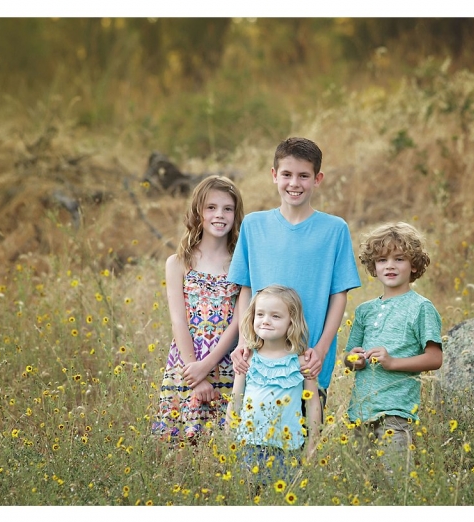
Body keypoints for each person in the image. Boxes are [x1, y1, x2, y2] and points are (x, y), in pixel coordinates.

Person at [227, 137, 361, 408]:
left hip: (308, 359)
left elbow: (339, 295)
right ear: (274, 175)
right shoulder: (254, 225)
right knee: (255, 438)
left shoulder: (334, 230)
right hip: (261, 356)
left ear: (317, 179)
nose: (294, 183)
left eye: (303, 176)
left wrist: (322, 349)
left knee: (306, 436)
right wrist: (243, 341)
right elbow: (246, 289)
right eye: (287, 174)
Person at [344, 222, 443, 479]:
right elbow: (348, 357)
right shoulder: (365, 310)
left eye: (399, 259)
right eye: (382, 260)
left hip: (396, 411)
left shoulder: (421, 307)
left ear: (414, 265)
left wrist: (393, 362)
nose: (389, 265)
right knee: (363, 481)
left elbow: (435, 358)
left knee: (396, 479)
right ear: (373, 267)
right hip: (362, 410)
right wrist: (355, 359)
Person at [152, 175, 244, 444]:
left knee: (223, 448)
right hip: (186, 365)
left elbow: (239, 321)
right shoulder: (179, 262)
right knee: (181, 449)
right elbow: (179, 321)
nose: (220, 215)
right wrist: (195, 372)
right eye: (211, 208)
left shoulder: (241, 263)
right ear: (198, 212)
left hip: (227, 363)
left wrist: (208, 365)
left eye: (227, 209)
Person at [227, 285, 322, 485]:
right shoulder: (248, 358)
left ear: (291, 322)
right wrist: (228, 436)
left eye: (276, 316)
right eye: (260, 314)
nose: (266, 321)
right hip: (249, 445)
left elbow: (313, 404)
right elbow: (236, 399)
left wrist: (313, 444)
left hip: (288, 448)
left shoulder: (302, 361)